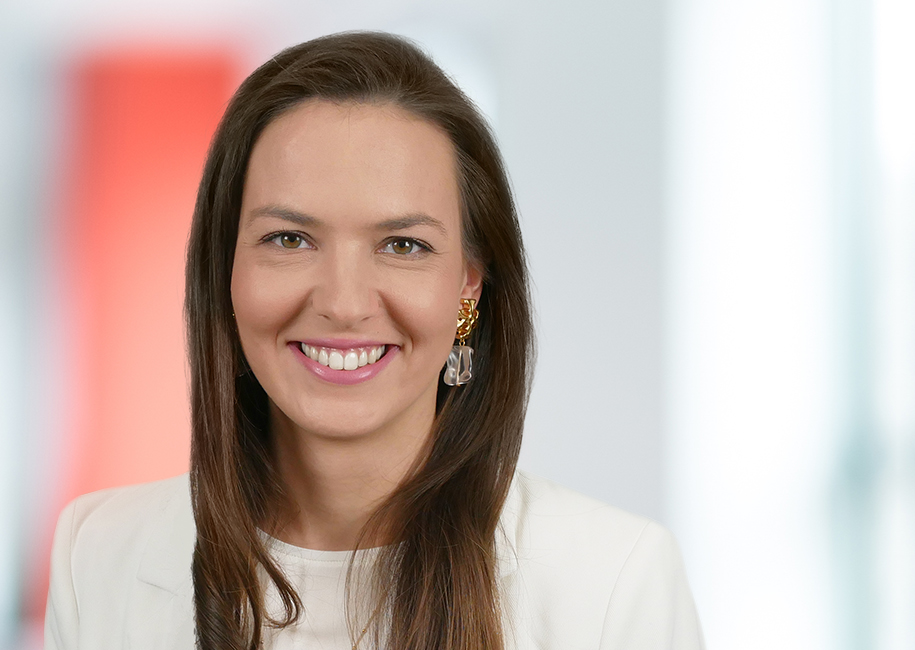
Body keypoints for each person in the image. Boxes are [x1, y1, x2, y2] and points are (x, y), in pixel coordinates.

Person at [43, 32, 702, 650]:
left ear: (468, 286)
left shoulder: (616, 582)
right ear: (226, 272)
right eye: (290, 239)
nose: (344, 303)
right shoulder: (97, 553)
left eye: (403, 245)